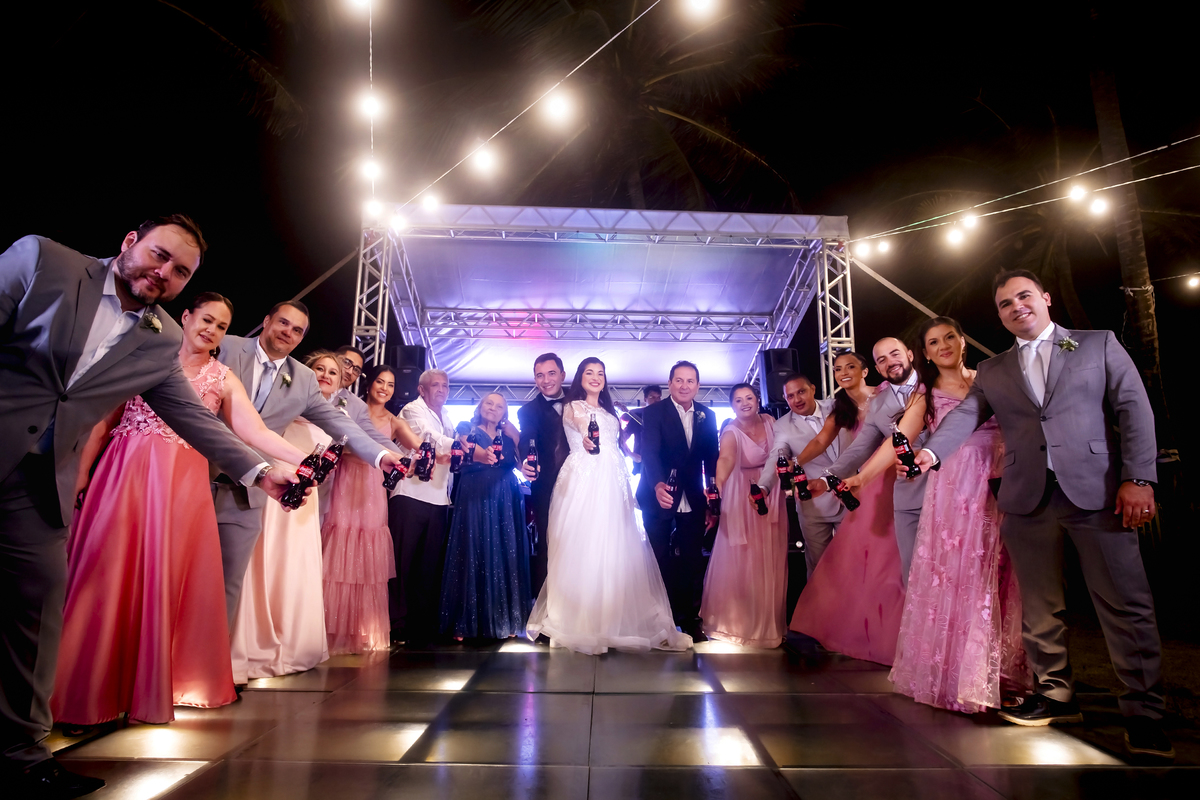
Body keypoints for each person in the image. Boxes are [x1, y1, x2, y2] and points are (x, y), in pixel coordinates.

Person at [0, 219, 300, 797]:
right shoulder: (43, 261)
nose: (163, 274)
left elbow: (190, 417)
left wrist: (261, 473)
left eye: (180, 272)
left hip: (38, 485)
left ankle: (18, 756)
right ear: (129, 241)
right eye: (159, 256)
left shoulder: (160, 340)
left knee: (37, 611)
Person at [912, 270, 1170, 757]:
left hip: (1099, 493)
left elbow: (1134, 408)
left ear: (1045, 299)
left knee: (1124, 603)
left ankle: (1144, 712)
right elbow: (965, 417)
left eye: (1023, 296)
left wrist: (1139, 478)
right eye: (1005, 304)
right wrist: (931, 454)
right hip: (1027, 498)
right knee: (1039, 607)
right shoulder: (994, 370)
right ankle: (1056, 693)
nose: (1016, 307)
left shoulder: (1097, 344)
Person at [54, 292, 310, 728]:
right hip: (125, 475)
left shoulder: (224, 377)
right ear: (185, 317)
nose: (211, 330)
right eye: (206, 319)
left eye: (221, 327)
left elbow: (254, 430)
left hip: (181, 486)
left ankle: (147, 686)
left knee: (162, 579)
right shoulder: (144, 357)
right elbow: (102, 421)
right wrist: (80, 476)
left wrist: (305, 461)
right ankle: (83, 691)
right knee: (106, 575)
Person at [851, 318, 1030, 709]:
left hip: (1004, 486)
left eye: (950, 336)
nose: (944, 345)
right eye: (934, 341)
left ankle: (998, 673)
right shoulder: (924, 394)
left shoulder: (991, 378)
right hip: (956, 489)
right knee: (961, 575)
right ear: (926, 353)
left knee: (1001, 576)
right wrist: (862, 478)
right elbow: (900, 439)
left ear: (963, 341)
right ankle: (959, 676)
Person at [214, 301, 407, 628]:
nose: (288, 332)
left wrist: (380, 455)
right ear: (266, 320)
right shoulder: (226, 346)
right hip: (199, 472)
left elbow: (341, 423)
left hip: (251, 488)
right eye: (283, 323)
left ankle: (214, 669)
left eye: (297, 330)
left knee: (230, 582)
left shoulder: (302, 379)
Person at [526, 358, 691, 655]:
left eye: (600, 373)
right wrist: (589, 439)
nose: (595, 377)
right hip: (584, 480)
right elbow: (580, 427)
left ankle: (613, 616)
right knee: (583, 545)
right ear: (579, 377)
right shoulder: (573, 407)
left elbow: (617, 447)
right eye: (589, 373)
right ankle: (580, 618)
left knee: (615, 545)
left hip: (613, 482)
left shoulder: (609, 411)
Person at [229, 350, 345, 682]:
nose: (324, 375)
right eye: (318, 369)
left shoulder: (335, 422)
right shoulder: (279, 410)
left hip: (304, 507)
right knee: (264, 563)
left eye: (332, 372)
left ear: (339, 383)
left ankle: (293, 641)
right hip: (273, 494)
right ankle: (254, 643)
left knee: (293, 565)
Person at [782, 354, 906, 665]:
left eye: (850, 367)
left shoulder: (886, 394)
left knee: (894, 553)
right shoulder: (841, 408)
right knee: (859, 555)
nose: (843, 373)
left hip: (893, 475)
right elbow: (822, 440)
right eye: (837, 369)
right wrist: (797, 464)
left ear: (866, 371)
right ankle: (854, 628)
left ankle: (900, 632)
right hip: (858, 481)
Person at [809, 337, 931, 586]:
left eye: (895, 354)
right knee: (913, 572)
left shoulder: (935, 382)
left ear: (909, 354)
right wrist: (827, 477)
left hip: (952, 486)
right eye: (882, 360)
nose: (890, 362)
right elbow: (860, 448)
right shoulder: (878, 405)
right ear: (877, 369)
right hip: (908, 491)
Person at [324, 364, 422, 654]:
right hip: (344, 481)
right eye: (380, 381)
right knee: (338, 550)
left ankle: (361, 630)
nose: (384, 388)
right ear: (369, 384)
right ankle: (330, 629)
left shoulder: (394, 421)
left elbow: (418, 449)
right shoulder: (349, 408)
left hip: (372, 487)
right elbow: (340, 445)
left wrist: (427, 458)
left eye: (390, 385)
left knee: (366, 555)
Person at [390, 369, 494, 644]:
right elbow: (429, 438)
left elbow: (454, 455)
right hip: (409, 493)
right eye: (435, 385)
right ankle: (396, 623)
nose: (442, 390)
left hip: (439, 498)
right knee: (403, 563)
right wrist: (467, 448)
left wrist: (467, 450)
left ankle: (421, 622)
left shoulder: (446, 416)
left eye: (445, 386)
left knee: (429, 565)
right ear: (422, 389)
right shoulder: (412, 410)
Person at [636, 361, 719, 638]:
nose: (685, 386)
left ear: (698, 385)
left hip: (694, 497)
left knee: (692, 559)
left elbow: (711, 458)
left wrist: (712, 495)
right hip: (658, 494)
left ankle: (689, 618)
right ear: (670, 384)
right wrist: (658, 484)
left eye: (690, 381)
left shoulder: (707, 415)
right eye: (679, 380)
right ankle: (656, 617)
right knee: (656, 557)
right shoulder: (654, 412)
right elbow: (649, 452)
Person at [699, 384, 787, 648]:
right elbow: (724, 460)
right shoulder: (730, 431)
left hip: (771, 492)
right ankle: (739, 623)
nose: (745, 403)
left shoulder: (772, 421)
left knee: (771, 556)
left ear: (758, 400)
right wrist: (718, 489)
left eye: (749, 397)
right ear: (732, 405)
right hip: (741, 497)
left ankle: (770, 624)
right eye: (738, 400)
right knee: (743, 558)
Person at [441, 393, 531, 640]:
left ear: (505, 413)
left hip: (506, 497)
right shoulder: (466, 428)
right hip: (475, 493)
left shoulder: (509, 435)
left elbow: (522, 464)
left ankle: (506, 619)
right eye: (488, 403)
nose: (493, 408)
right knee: (473, 549)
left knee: (505, 552)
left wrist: (517, 436)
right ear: (480, 407)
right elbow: (468, 448)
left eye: (499, 406)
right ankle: (465, 620)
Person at [757, 373, 852, 576]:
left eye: (801, 392)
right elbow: (777, 456)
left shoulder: (838, 407)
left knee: (857, 561)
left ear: (813, 389)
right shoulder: (782, 425)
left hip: (853, 495)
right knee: (820, 568)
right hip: (814, 504)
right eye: (790, 396)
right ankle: (821, 608)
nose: (797, 399)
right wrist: (764, 486)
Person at [517, 353, 570, 597]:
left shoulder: (581, 401)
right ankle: (546, 609)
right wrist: (527, 462)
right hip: (546, 485)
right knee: (548, 543)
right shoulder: (528, 410)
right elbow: (528, 438)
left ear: (562, 375)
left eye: (551, 373)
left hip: (581, 482)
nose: (546, 380)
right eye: (540, 375)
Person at [619, 384, 662, 475]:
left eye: (658, 397)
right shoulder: (637, 417)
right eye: (652, 397)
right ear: (645, 399)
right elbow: (621, 439)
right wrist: (630, 454)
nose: (656, 400)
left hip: (662, 462)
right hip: (642, 461)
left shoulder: (665, 418)